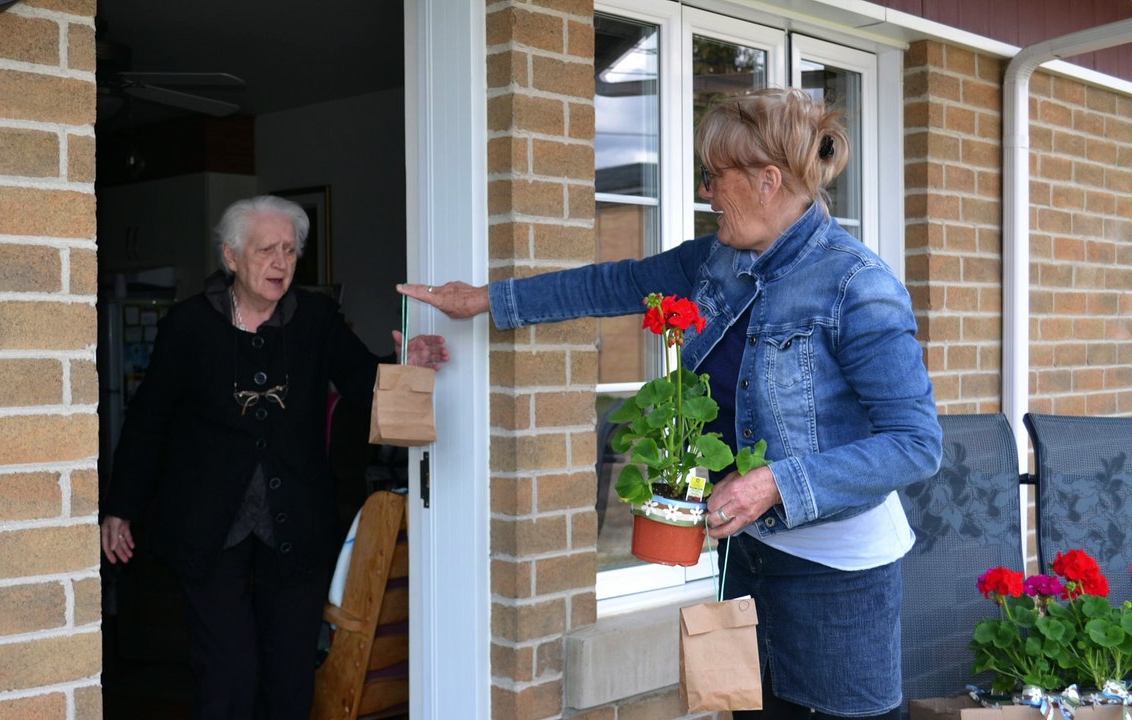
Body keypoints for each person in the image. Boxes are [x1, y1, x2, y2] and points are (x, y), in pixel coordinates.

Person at [399, 88, 941, 720]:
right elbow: (614, 282)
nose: (706, 192)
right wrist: (485, 299)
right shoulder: (721, 261)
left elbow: (916, 444)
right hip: (750, 556)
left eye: (713, 176)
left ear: (768, 181)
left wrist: (773, 483)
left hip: (839, 578)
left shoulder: (859, 286)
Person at [100, 194, 448, 720]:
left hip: (297, 523)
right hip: (210, 526)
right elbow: (149, 420)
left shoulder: (316, 318)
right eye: (266, 250)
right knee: (229, 675)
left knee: (289, 675)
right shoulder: (188, 326)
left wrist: (404, 363)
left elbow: (361, 381)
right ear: (232, 257)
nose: (281, 263)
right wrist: (120, 506)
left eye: (289, 250)